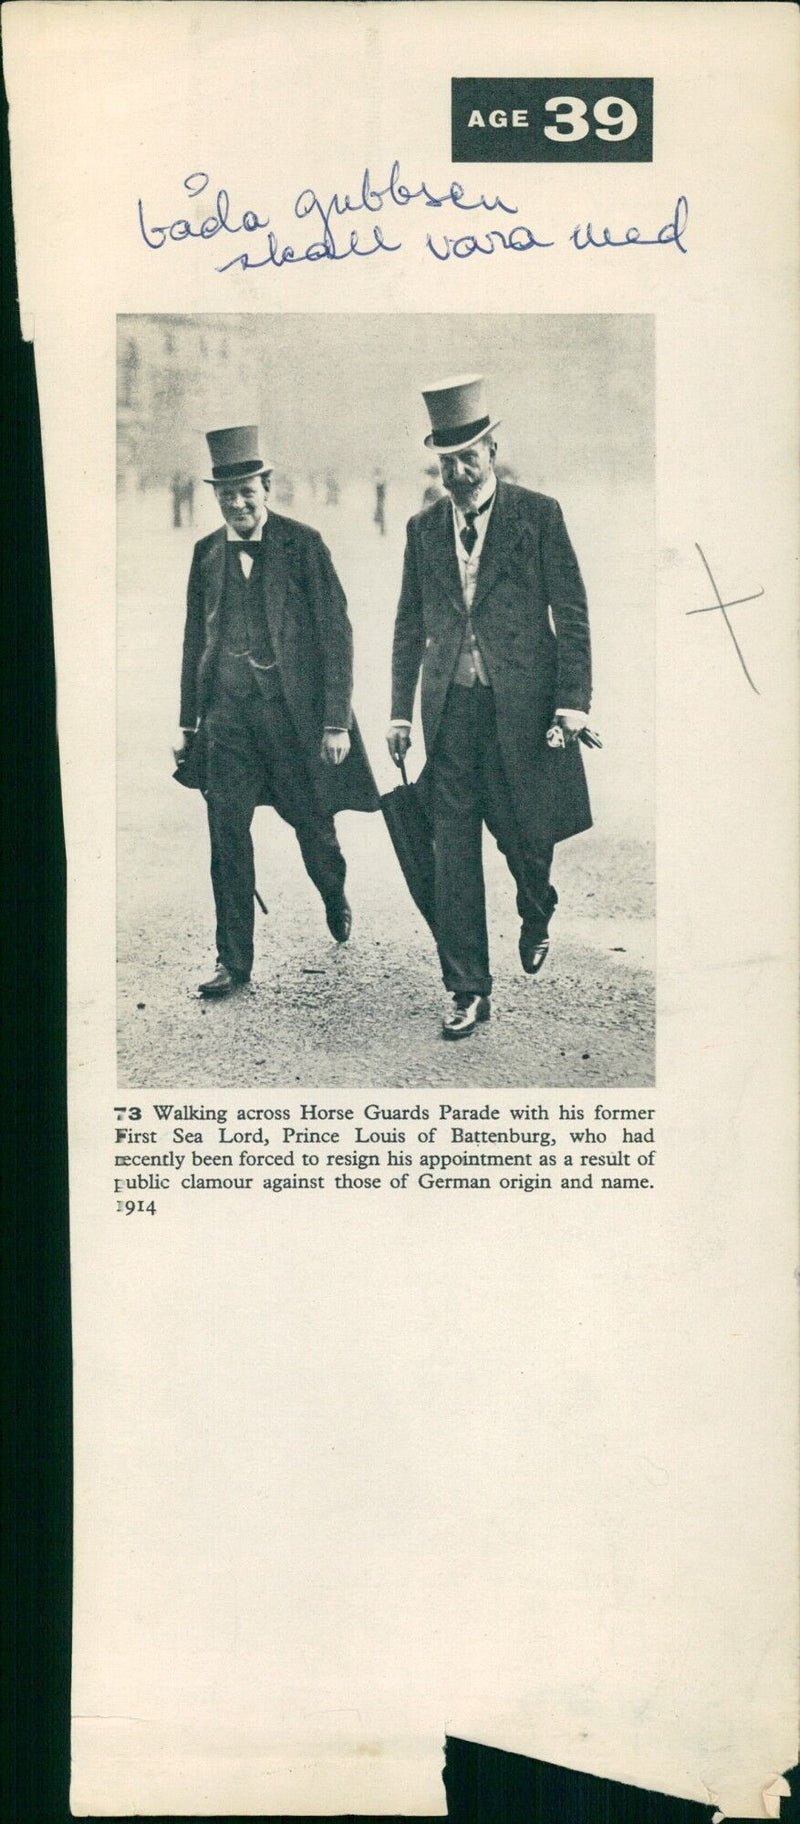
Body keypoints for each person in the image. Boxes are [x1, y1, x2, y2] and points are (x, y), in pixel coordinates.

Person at [386, 375, 593, 1040]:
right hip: (449, 716)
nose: (457, 469)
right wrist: (397, 714)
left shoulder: (539, 515)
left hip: (523, 714)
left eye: (468, 455)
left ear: (493, 449)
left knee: (527, 839)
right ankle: (468, 989)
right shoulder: (422, 530)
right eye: (446, 459)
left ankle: (538, 907)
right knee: (453, 857)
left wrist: (572, 704)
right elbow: (407, 625)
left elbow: (573, 612)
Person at [175, 425, 378, 998]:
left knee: (314, 830)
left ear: (267, 487)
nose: (238, 504)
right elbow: (195, 641)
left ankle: (334, 894)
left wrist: (335, 721)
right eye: (227, 494)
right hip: (228, 723)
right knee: (227, 837)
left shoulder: (304, 545)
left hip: (294, 722)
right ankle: (232, 962)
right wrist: (188, 723)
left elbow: (337, 636)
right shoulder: (206, 554)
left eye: (248, 492)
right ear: (216, 496)